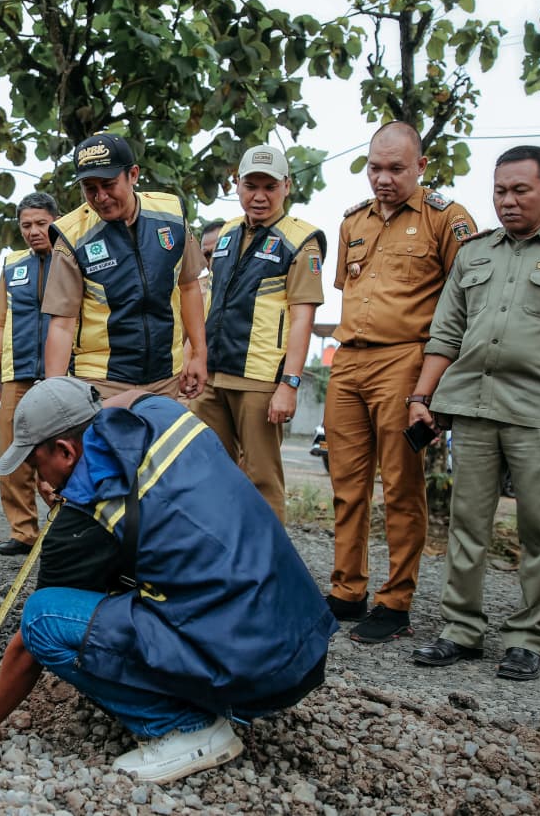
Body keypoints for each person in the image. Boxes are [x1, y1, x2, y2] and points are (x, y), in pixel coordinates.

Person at [0, 377, 335, 784]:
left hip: (257, 671)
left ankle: (184, 728)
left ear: (66, 451)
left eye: (37, 466)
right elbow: (131, 396)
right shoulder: (164, 415)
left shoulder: (85, 517)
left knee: (40, 618)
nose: (41, 483)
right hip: (301, 639)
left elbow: (26, 646)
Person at [407, 146, 540, 681]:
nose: (507, 201)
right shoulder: (474, 254)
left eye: (520, 189)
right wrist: (420, 398)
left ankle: (526, 638)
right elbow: (445, 333)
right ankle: (460, 630)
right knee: (466, 525)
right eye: (500, 190)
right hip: (473, 406)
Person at [324, 121, 476, 644]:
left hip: (405, 361)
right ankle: (348, 590)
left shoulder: (447, 220)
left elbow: (464, 305)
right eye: (375, 168)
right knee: (346, 485)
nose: (383, 179)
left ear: (421, 167)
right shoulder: (353, 223)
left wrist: (433, 386)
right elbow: (350, 287)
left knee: (402, 488)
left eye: (396, 168)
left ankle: (396, 601)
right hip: (348, 361)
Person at [190, 146, 324, 523]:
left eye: (270, 186)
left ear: (287, 186)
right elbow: (210, 299)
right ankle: (217, 560)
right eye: (251, 185)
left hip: (261, 381)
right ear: (238, 185)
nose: (260, 196)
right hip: (214, 376)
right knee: (206, 472)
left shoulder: (300, 240)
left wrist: (290, 384)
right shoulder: (228, 232)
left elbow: (302, 319)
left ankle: (267, 571)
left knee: (262, 481)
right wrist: (194, 357)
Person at [41, 134, 207, 402]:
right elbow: (62, 324)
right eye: (89, 187)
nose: (100, 197)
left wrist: (198, 354)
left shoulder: (172, 216)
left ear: (133, 174)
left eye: (108, 184)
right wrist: (55, 397)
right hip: (102, 381)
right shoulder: (72, 238)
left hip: (167, 377)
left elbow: (188, 285)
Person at [0, 191, 60, 556]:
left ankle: (64, 528)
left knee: (61, 455)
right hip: (17, 375)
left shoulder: (70, 260)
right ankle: (22, 531)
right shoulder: (12, 267)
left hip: (63, 376)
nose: (33, 231)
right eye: (26, 225)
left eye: (41, 224)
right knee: (11, 455)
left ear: (56, 222)